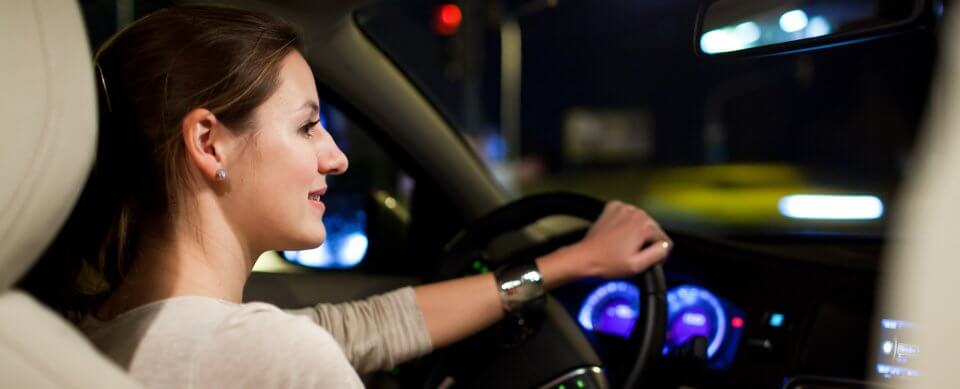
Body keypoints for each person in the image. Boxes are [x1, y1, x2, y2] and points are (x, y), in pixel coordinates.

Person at [21, 5, 671, 388]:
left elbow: (361, 327)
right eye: (307, 125)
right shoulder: (271, 359)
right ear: (209, 143)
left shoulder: (86, 334)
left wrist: (570, 264)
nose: (336, 156)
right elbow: (307, 346)